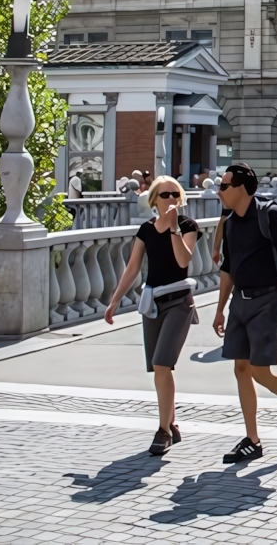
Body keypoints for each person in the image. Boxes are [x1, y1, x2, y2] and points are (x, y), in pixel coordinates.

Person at [213, 162, 277, 464]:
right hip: (240, 302)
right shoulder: (230, 223)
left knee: (259, 370)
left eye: (224, 186)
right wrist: (219, 310)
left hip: (267, 299)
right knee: (241, 369)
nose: (219, 191)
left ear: (241, 188)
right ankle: (252, 440)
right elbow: (228, 269)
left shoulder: (269, 214)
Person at [104, 174, 200, 456]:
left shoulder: (187, 226)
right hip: (153, 303)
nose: (171, 200)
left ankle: (163, 431)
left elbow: (184, 261)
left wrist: (173, 230)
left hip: (180, 301)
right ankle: (170, 423)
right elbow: (133, 267)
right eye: (165, 195)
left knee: (162, 363)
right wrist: (114, 301)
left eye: (175, 195)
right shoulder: (145, 230)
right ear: (154, 199)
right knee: (160, 369)